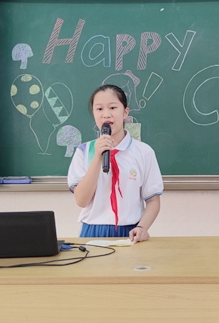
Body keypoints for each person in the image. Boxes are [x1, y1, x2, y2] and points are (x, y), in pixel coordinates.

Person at [67, 84, 163, 243]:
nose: (106, 115)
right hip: (92, 231)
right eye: (99, 109)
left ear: (125, 112)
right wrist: (97, 158)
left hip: (130, 231)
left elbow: (153, 201)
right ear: (94, 114)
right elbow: (81, 200)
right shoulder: (84, 151)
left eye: (112, 107)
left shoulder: (143, 152)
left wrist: (142, 228)